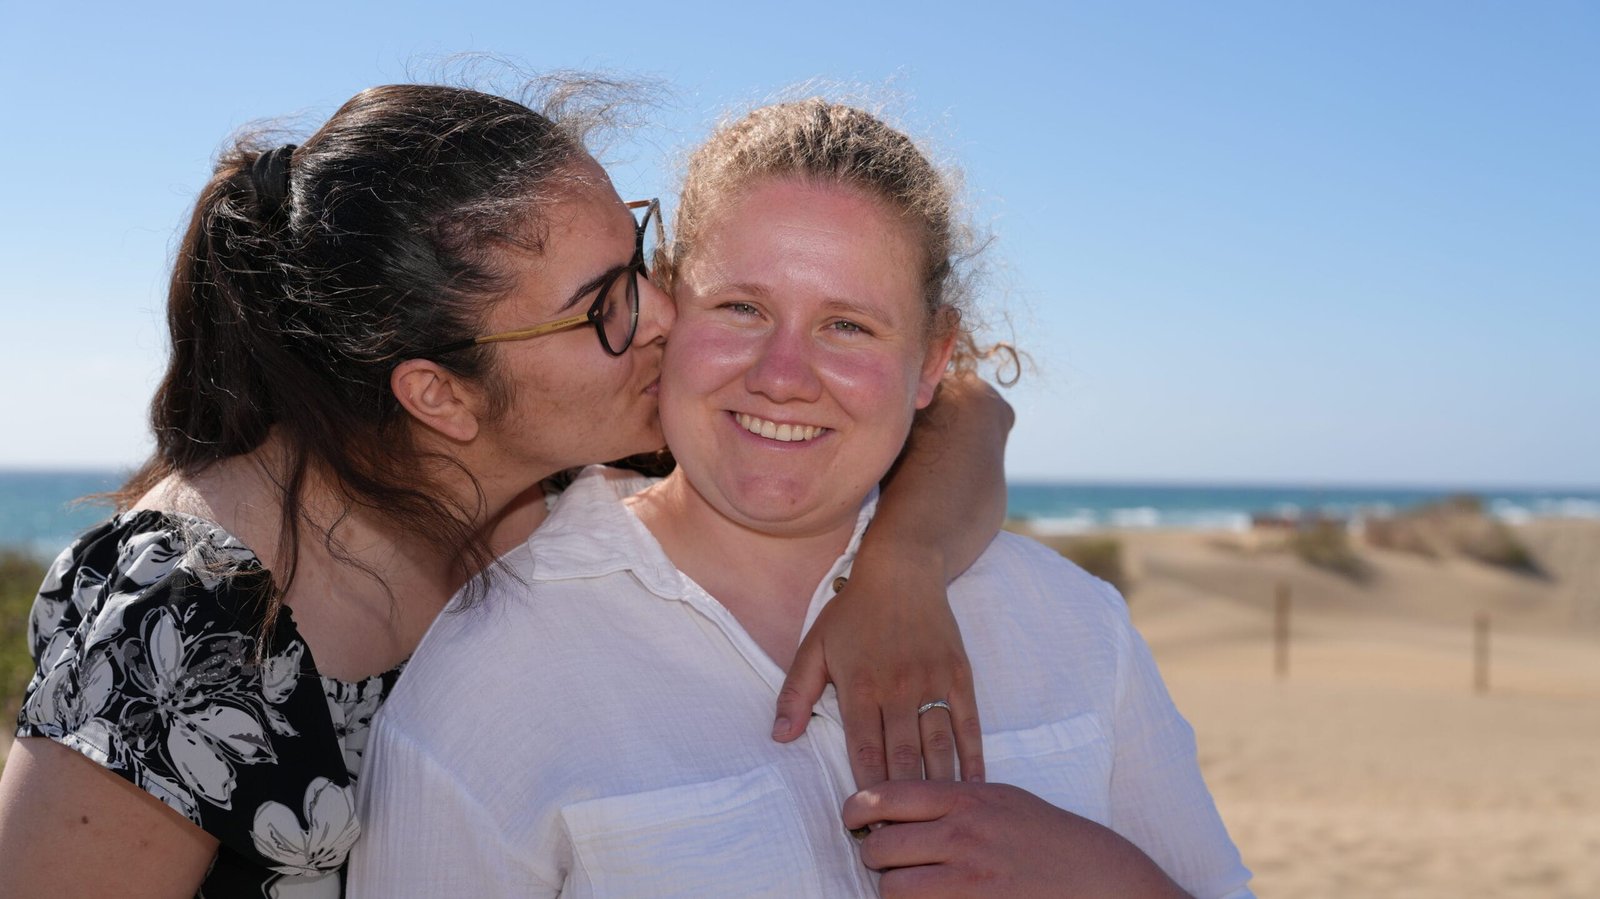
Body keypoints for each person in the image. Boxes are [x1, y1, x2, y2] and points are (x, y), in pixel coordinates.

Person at [0, 84, 1014, 897]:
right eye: (604, 305)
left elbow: (959, 405)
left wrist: (898, 570)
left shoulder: (573, 430)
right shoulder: (179, 625)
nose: (664, 312)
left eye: (637, 253)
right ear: (440, 394)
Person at [350, 99, 1252, 897]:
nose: (783, 377)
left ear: (935, 361)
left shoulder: (1076, 627)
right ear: (665, 312)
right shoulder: (489, 681)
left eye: (847, 325)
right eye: (741, 308)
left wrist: (1108, 881)